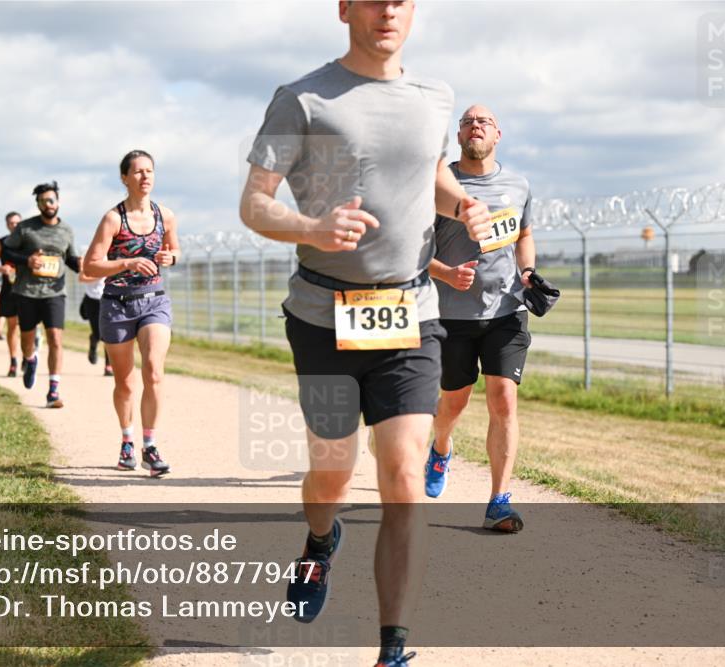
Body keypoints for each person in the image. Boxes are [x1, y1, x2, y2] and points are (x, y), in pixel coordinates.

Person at [238, 2, 490, 665]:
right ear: (344, 7)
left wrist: (460, 201)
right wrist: (311, 228)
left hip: (410, 314)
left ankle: (393, 648)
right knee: (332, 473)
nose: (387, 11)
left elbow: (428, 176)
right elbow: (255, 201)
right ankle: (321, 542)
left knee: (404, 472)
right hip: (323, 319)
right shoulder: (303, 99)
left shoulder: (435, 96)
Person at [424, 104, 535, 533]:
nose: (476, 126)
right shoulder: (439, 185)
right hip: (452, 315)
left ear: (497, 134)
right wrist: (447, 274)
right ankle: (441, 446)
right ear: (458, 136)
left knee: (504, 398)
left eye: (484, 121)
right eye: (468, 121)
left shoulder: (518, 184)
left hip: (507, 309)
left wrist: (527, 273)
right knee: (453, 401)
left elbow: (524, 235)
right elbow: (412, 249)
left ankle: (499, 501)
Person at [84, 150, 179, 477]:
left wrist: (171, 258)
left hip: (153, 300)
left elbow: (174, 248)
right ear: (125, 178)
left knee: (153, 371)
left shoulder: (164, 215)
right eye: (137, 172)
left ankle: (149, 447)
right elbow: (90, 265)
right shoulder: (113, 219)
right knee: (125, 382)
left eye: (149, 171)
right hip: (117, 304)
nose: (145, 177)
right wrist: (125, 262)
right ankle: (127, 441)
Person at [2, 183, 81, 408]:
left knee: (55, 338)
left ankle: (53, 391)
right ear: (38, 204)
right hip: (26, 291)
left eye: (52, 200)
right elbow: (7, 251)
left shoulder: (66, 230)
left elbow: (71, 259)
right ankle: (30, 359)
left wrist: (82, 265)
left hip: (55, 292)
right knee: (27, 339)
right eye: (44, 201)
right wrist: (26, 260)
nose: (48, 204)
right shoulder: (26, 228)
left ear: (58, 202)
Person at [0, 212, 23, 376]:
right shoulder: (0, 243)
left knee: (26, 327)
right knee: (12, 326)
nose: (14, 225)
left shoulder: (28, 241)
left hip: (27, 289)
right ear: (7, 224)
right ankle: (13, 361)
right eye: (11, 223)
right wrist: (1, 269)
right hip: (8, 288)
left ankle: (28, 356)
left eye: (17, 222)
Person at [78, 272, 114, 374]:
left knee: (108, 334)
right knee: (99, 334)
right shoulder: (89, 257)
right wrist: (98, 276)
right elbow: (81, 278)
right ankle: (93, 341)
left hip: (109, 298)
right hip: (92, 299)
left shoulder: (114, 257)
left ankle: (108, 366)